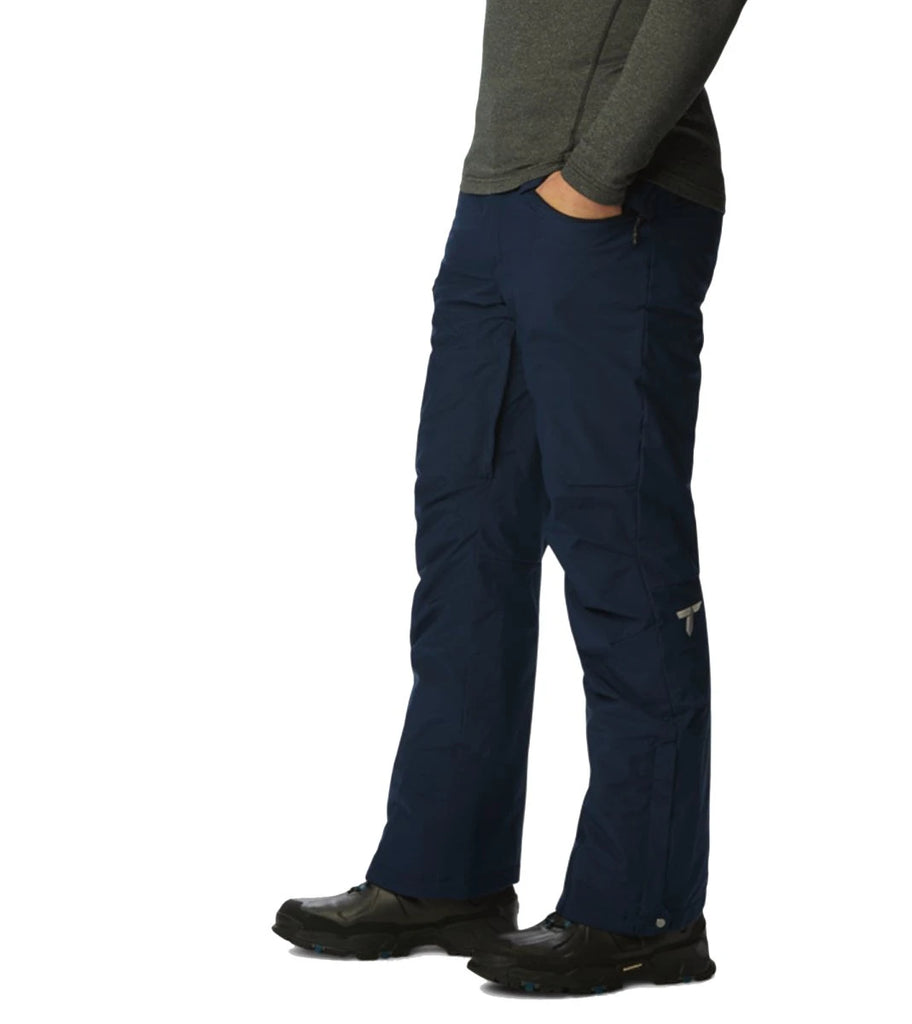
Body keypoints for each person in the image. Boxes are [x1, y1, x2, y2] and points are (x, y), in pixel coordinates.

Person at [272, 0, 749, 995]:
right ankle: (444, 873)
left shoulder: (605, 183)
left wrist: (596, 174)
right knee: (467, 543)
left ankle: (644, 911)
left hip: (616, 197)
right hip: (495, 198)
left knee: (619, 547)